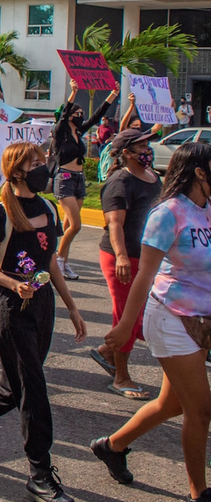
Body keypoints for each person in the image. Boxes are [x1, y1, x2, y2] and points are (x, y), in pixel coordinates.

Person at [0, 142, 87, 502]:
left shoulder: (47, 208)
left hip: (43, 306)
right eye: (35, 163)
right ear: (17, 169)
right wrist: (12, 284)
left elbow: (51, 263)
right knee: (34, 387)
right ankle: (40, 473)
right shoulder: (2, 212)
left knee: (16, 387)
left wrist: (72, 307)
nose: (43, 167)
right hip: (12, 308)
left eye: (43, 161)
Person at [93, 142, 211, 502]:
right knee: (201, 410)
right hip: (171, 319)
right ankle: (198, 494)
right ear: (200, 173)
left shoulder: (208, 210)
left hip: (204, 320)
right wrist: (126, 326)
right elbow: (145, 274)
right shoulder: (168, 214)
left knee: (170, 404)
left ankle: (110, 447)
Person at [90, 129, 162, 400]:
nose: (147, 151)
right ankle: (121, 378)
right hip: (122, 257)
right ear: (127, 154)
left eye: (147, 145)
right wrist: (121, 257)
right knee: (125, 316)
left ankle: (106, 352)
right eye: (141, 147)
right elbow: (115, 224)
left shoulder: (154, 178)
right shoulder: (120, 181)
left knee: (140, 316)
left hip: (146, 257)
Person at [50, 79, 119, 280]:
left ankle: (63, 261)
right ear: (69, 115)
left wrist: (113, 94)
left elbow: (98, 114)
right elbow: (63, 116)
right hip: (64, 178)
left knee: (68, 225)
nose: (80, 117)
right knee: (76, 225)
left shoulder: (79, 132)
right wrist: (73, 92)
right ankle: (58, 262)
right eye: (76, 114)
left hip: (79, 179)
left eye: (81, 115)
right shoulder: (60, 132)